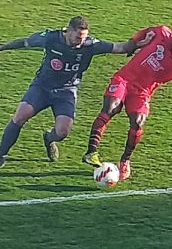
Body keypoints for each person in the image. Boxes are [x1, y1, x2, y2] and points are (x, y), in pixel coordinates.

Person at [0, 16, 152, 168]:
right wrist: (3, 47)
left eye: (84, 37)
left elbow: (120, 47)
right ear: (68, 31)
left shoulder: (90, 45)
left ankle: (49, 138)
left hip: (66, 92)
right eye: (78, 37)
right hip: (42, 87)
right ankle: (1, 154)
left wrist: (140, 44)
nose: (81, 41)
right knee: (20, 116)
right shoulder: (50, 38)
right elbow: (25, 42)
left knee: (62, 132)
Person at [82, 22, 172, 181]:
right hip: (124, 79)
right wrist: (134, 43)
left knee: (137, 123)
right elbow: (142, 33)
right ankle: (91, 152)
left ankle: (125, 160)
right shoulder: (161, 32)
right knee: (111, 107)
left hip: (142, 92)